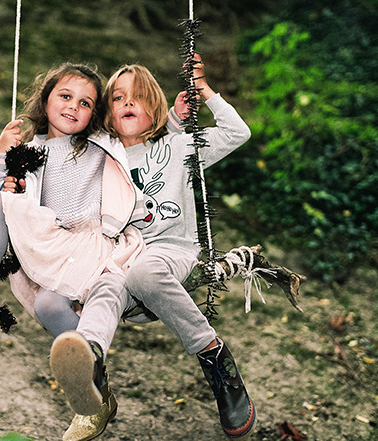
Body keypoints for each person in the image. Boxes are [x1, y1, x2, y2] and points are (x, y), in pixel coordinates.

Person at [44, 56, 257, 440]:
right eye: (119, 98)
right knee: (106, 286)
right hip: (122, 253)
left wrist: (203, 91)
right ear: (107, 112)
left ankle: (214, 357)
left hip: (171, 252)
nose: (128, 103)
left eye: (138, 97)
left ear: (155, 108)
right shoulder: (100, 154)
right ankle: (89, 363)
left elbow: (236, 132)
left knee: (143, 271)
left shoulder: (179, 146)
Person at [0, 63, 146, 342]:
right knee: (0, 204)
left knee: (49, 305)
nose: (73, 106)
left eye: (84, 103)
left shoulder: (100, 146)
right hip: (47, 243)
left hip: (89, 246)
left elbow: (141, 125)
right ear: (45, 99)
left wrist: (175, 119)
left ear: (94, 114)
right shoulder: (28, 153)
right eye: (65, 96)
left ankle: (87, 367)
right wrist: (0, 155)